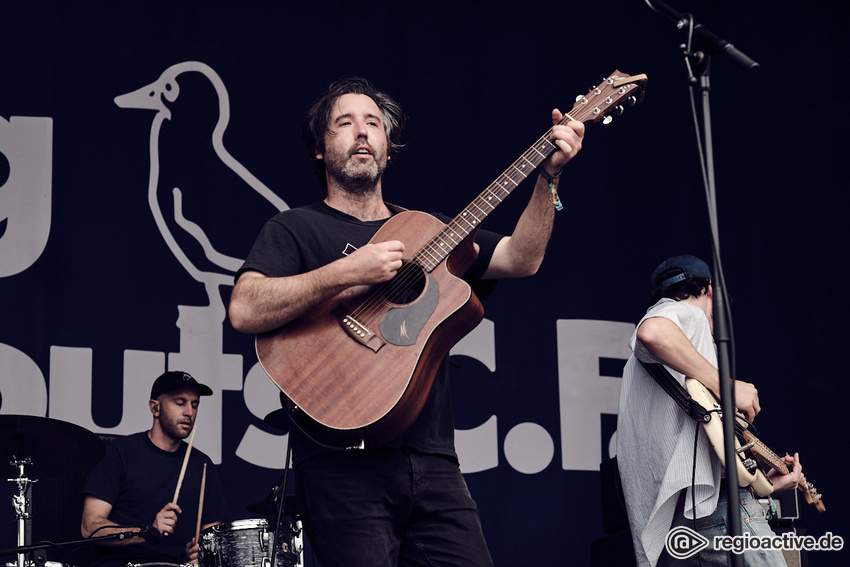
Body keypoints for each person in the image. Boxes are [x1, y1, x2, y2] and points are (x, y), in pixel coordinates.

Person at [227, 76, 585, 566]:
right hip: (341, 463)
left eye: (373, 124)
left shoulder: (427, 230)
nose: (361, 133)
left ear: (388, 150)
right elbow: (245, 308)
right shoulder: (294, 228)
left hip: (433, 461)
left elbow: (522, 258)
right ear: (319, 149)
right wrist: (346, 271)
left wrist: (549, 178)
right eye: (345, 123)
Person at [616, 254, 803, 566]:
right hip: (715, 514)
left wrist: (769, 483)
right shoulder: (683, 312)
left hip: (676, 527)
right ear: (711, 290)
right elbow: (653, 331)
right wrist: (728, 386)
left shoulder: (656, 364)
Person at [81, 370, 228, 567]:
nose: (189, 412)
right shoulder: (119, 453)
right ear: (155, 408)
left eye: (195, 404)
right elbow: (90, 527)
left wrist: (201, 552)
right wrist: (148, 532)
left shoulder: (202, 465)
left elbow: (213, 536)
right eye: (180, 402)